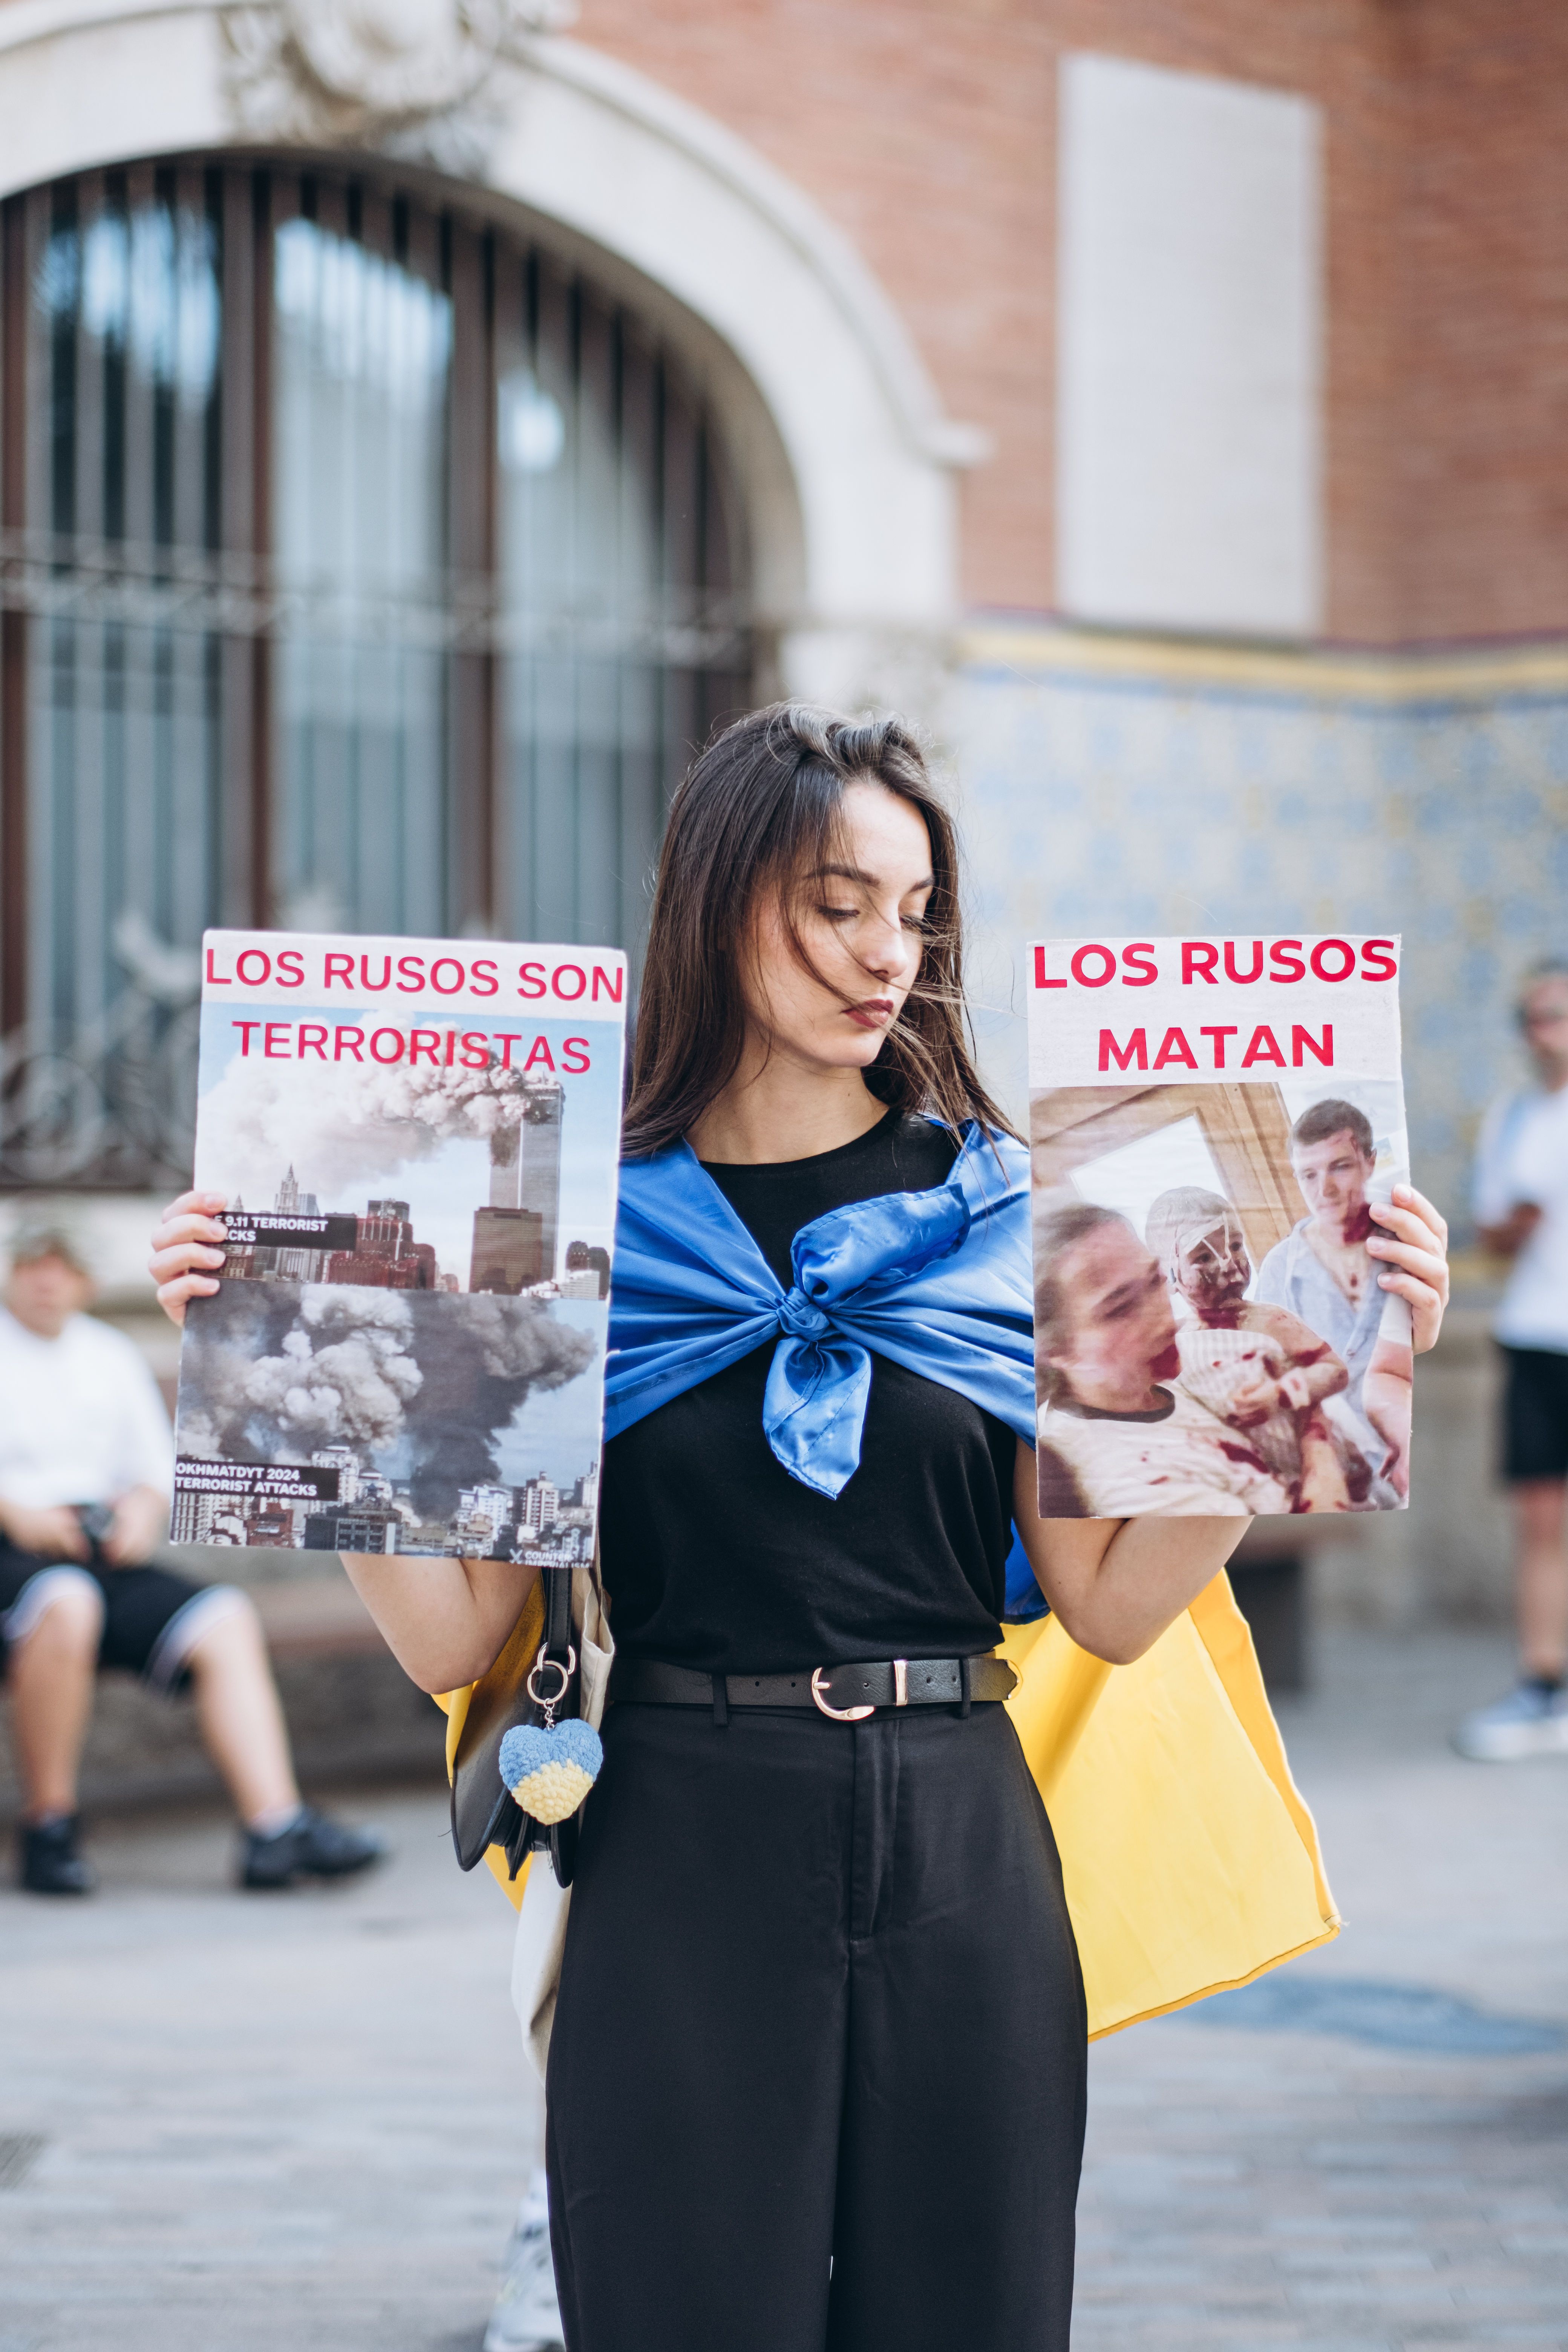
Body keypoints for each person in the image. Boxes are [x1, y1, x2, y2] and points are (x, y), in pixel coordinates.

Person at [149, 704, 1451, 2352]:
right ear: (719, 896)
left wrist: (1325, 1367)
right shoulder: (571, 1222)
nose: (885, 954)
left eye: (914, 914)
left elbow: (1113, 1610)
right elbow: (459, 1640)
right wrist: (285, 1354)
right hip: (679, 1845)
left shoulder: (1005, 1217)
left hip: (964, 1841)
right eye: (838, 903)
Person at [0, 1225, 383, 1894]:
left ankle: (274, 1827)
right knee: (66, 1601)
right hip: (16, 1550)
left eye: (62, 1268)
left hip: (98, 1549)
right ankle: (49, 1826)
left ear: (85, 1284)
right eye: (33, 1267)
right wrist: (18, 1514)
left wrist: (141, 1516)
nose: (46, 1280)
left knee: (223, 1615)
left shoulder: (108, 1353)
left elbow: (152, 1468)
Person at [1455, 959, 1568, 1759]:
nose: (1544, 1030)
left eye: (1557, 1013)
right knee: (1540, 1519)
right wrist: (1514, 1224)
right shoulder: (1514, 1118)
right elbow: (1494, 1234)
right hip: (1535, 1333)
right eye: (1533, 1016)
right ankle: (1543, 1686)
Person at [1034, 1199, 1297, 1516]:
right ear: (1055, 1350)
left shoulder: (1152, 1380)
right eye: (1120, 1309)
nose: (1165, 1322)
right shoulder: (1130, 1479)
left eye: (1156, 1282)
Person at [1144, 1185, 1361, 1511]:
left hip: (1308, 1463)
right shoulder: (1176, 1343)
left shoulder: (1269, 1320)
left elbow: (1336, 1372)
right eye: (1203, 1257)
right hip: (1243, 1482)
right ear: (1170, 1276)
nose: (1229, 1265)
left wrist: (1282, 1393)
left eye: (1235, 1246)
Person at [1253, 1098, 1416, 1495]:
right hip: (1331, 1474)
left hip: (1414, 1457)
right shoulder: (1279, 1268)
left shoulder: (1403, 1244)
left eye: (1338, 1167)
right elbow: (1268, 1378)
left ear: (1369, 1161)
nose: (1322, 1190)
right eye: (1307, 1175)